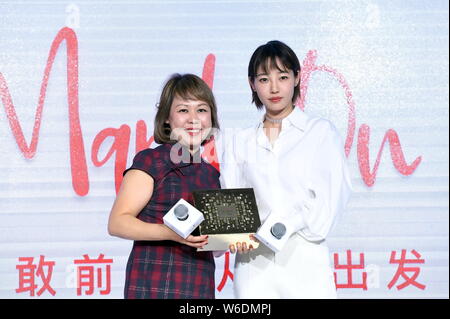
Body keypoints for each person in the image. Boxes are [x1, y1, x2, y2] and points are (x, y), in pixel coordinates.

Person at [220, 40, 352, 298]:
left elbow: (330, 201)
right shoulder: (239, 141)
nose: (274, 88)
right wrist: (232, 233)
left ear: (297, 77)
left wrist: (285, 225)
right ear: (252, 84)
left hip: (306, 256)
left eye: (282, 76)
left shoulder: (319, 132)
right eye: (264, 79)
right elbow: (231, 201)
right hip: (253, 262)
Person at [108, 73, 221, 299]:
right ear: (167, 119)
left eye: (201, 110)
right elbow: (117, 222)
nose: (193, 119)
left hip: (199, 288)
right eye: (183, 110)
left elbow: (214, 248)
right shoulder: (152, 160)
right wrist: (170, 233)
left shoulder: (211, 174)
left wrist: (231, 240)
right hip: (154, 286)